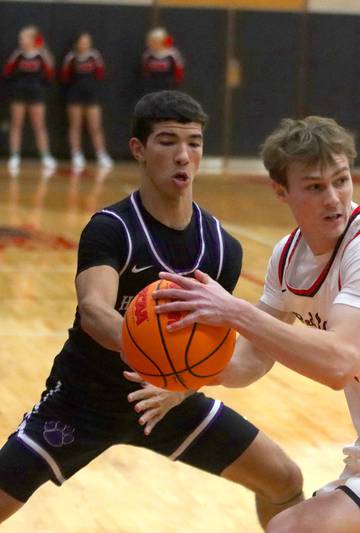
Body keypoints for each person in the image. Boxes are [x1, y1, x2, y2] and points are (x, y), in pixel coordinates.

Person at [153, 116, 360, 533]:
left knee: (290, 528)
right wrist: (180, 373)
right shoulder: (288, 255)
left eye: (342, 180)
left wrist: (233, 311)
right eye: (315, 187)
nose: (334, 198)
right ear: (281, 191)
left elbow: (337, 364)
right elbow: (252, 361)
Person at [0, 91, 303, 528]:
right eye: (167, 141)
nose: (183, 155)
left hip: (166, 403)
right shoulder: (113, 229)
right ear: (139, 150)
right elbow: (94, 311)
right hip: (84, 401)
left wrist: (177, 385)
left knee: (284, 480)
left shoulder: (221, 248)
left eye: (194, 142)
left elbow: (212, 345)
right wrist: (156, 360)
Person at [2, 26, 56, 172]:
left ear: (32, 40)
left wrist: (38, 85)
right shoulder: (17, 54)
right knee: (16, 124)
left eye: (23, 38)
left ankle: (45, 156)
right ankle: (14, 156)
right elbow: (7, 72)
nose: (20, 40)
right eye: (20, 38)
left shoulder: (42, 55)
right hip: (19, 93)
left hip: (36, 93)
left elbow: (50, 75)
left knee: (39, 125)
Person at [60, 32, 113, 170]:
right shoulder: (71, 57)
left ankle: (101, 154)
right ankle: (76, 154)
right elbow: (64, 76)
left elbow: (101, 74)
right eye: (82, 41)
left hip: (91, 95)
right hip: (74, 95)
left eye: (87, 41)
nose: (85, 44)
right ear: (77, 43)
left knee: (95, 126)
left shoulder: (94, 56)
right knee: (75, 125)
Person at [140, 27, 184, 95]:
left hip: (168, 85)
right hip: (152, 86)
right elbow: (145, 71)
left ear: (163, 41)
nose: (153, 43)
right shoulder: (148, 55)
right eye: (151, 41)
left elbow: (178, 70)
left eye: (156, 41)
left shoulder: (172, 54)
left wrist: (176, 82)